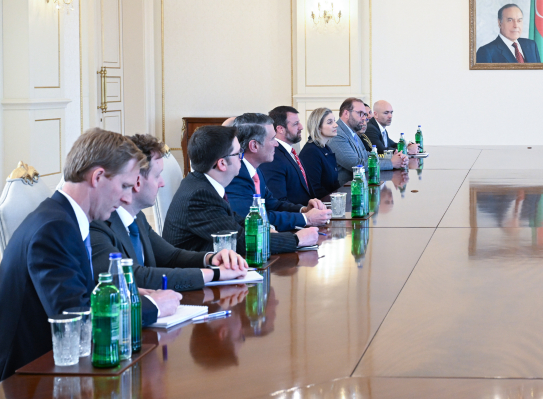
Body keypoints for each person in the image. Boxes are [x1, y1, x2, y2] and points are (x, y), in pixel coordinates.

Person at [0, 128, 181, 380]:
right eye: (124, 186)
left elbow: (76, 293)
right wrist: (153, 307)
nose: (127, 198)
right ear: (98, 177)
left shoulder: (62, 218)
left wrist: (129, 295)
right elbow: (76, 320)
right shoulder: (55, 229)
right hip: (30, 379)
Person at [91, 133, 249, 291]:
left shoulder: (137, 216)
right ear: (137, 181)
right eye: (157, 176)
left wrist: (211, 258)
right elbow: (136, 276)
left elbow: (171, 256)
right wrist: (214, 273)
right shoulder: (98, 223)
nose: (162, 183)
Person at [162, 126, 319, 255]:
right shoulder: (200, 195)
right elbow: (241, 242)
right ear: (222, 164)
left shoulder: (202, 184)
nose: (242, 158)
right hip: (198, 276)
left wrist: (267, 229)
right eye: (238, 154)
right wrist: (297, 239)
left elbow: (238, 221)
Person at [225, 113, 330, 230]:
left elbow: (273, 205)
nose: (276, 144)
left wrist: (303, 210)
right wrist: (306, 218)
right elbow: (251, 219)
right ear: (254, 146)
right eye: (272, 139)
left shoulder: (255, 170)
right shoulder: (236, 175)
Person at [330, 98, 408, 184]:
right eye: (360, 113)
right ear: (346, 113)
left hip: (360, 184)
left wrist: (395, 159)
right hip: (346, 189)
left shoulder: (352, 132)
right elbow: (356, 164)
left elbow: (366, 155)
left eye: (365, 114)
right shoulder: (337, 134)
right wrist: (391, 163)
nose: (364, 118)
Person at [258, 106, 311, 205]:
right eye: (296, 124)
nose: (301, 127)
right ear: (280, 129)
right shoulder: (273, 156)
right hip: (295, 213)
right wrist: (304, 210)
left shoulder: (290, 152)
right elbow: (278, 200)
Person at [298, 108, 342, 201]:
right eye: (329, 122)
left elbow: (334, 183)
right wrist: (336, 200)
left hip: (331, 201)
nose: (336, 125)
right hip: (320, 204)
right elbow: (315, 189)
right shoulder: (311, 152)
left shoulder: (325, 148)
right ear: (318, 127)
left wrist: (341, 197)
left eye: (334, 121)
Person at [475, 3, 540, 64]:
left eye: (519, 20)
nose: (516, 25)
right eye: (510, 20)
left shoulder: (531, 45)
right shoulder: (486, 52)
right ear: (499, 23)